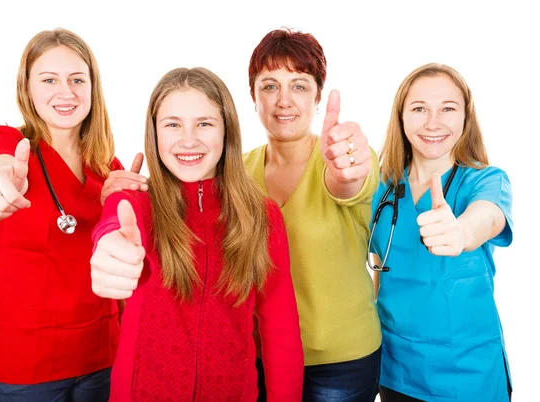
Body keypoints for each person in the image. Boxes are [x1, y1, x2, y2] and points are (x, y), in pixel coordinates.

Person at [90, 67, 304, 401]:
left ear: (226, 131)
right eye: (173, 124)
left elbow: (281, 333)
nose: (188, 139)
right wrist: (108, 242)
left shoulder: (263, 217)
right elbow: (112, 225)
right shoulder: (133, 202)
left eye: (204, 123)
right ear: (155, 133)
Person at [0, 28, 124, 401]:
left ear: (92, 87)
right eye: (49, 79)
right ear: (28, 89)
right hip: (26, 365)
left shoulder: (107, 167)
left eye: (76, 79)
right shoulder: (10, 144)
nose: (65, 92)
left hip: (101, 355)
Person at [243, 28, 382, 401]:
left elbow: (351, 184)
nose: (283, 100)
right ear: (253, 96)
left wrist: (347, 174)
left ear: (318, 96)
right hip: (258, 357)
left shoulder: (344, 158)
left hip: (340, 363)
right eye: (270, 85)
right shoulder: (238, 172)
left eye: (299, 86)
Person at [369, 63, 513, 402]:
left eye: (448, 109)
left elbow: (487, 218)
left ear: (466, 117)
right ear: (401, 116)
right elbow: (378, 266)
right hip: (396, 368)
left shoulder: (485, 181)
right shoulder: (380, 188)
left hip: (468, 373)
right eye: (419, 109)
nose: (433, 123)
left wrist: (460, 232)